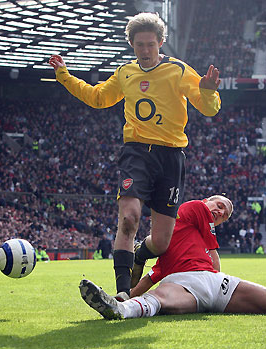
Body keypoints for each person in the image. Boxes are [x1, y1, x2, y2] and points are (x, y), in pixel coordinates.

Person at [49, 12, 221, 299]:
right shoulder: (125, 73)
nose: (145, 51)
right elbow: (98, 98)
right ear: (131, 44)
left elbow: (209, 109)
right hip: (137, 152)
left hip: (171, 156)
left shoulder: (178, 70)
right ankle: (122, 294)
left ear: (161, 43)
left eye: (150, 44)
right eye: (139, 45)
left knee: (162, 242)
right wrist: (64, 76)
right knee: (129, 218)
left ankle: (142, 252)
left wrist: (208, 93)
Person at [79, 195, 266, 319]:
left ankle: (124, 305)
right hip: (187, 283)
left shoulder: (186, 236)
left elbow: (152, 276)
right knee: (155, 301)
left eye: (225, 215)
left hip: (215, 283)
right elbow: (213, 255)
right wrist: (126, 296)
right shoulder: (197, 207)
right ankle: (119, 309)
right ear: (207, 200)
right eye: (219, 206)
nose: (220, 213)